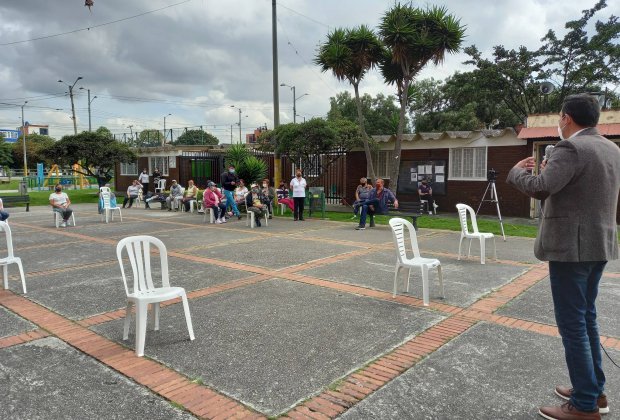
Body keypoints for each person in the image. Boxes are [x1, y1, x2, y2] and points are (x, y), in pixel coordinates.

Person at [507, 94, 619, 420]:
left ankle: (584, 405)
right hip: (600, 246)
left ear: (567, 118)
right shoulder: (611, 149)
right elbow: (578, 190)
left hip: (572, 249)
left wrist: (515, 173)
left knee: (573, 326)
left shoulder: (571, 148)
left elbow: (541, 187)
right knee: (586, 319)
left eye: (560, 116)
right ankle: (593, 392)